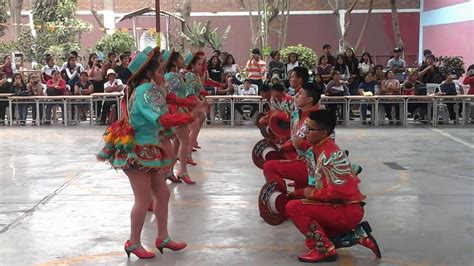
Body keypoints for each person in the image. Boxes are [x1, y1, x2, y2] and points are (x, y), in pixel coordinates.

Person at [97, 49, 203, 260]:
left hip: (150, 149)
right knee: (143, 198)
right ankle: (133, 242)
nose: (163, 73)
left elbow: (170, 97)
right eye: (160, 70)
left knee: (162, 194)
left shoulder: (152, 88)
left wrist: (189, 105)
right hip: (136, 150)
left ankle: (162, 237)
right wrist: (190, 116)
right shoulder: (146, 91)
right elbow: (160, 119)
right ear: (150, 73)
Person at [285, 109, 380, 263]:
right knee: (311, 240)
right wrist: (300, 193)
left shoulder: (332, 155)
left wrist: (308, 194)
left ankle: (326, 251)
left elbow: (339, 193)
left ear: (323, 133)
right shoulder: (316, 150)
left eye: (309, 129)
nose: (305, 133)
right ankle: (358, 236)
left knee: (293, 208)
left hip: (347, 210)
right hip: (337, 206)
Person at [263, 82, 321, 194]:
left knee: (269, 167)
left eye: (300, 94)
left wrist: (301, 144)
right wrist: (281, 148)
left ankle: (278, 198)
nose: (296, 96)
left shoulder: (318, 119)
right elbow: (294, 140)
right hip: (300, 158)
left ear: (309, 100)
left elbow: (324, 146)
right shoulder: (296, 115)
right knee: (298, 200)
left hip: (313, 165)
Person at [165, 51, 196, 185]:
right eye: (181, 59)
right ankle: (182, 171)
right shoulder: (170, 76)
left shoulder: (177, 75)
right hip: (176, 110)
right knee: (185, 140)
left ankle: (170, 170)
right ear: (174, 62)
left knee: (178, 141)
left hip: (180, 109)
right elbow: (171, 96)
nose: (183, 60)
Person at [184, 52, 209, 171]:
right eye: (199, 64)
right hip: (189, 103)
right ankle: (186, 154)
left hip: (193, 102)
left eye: (202, 63)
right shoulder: (189, 75)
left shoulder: (194, 75)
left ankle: (187, 153)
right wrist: (197, 102)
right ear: (192, 65)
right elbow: (189, 93)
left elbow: (199, 89)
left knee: (194, 127)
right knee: (192, 129)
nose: (201, 66)